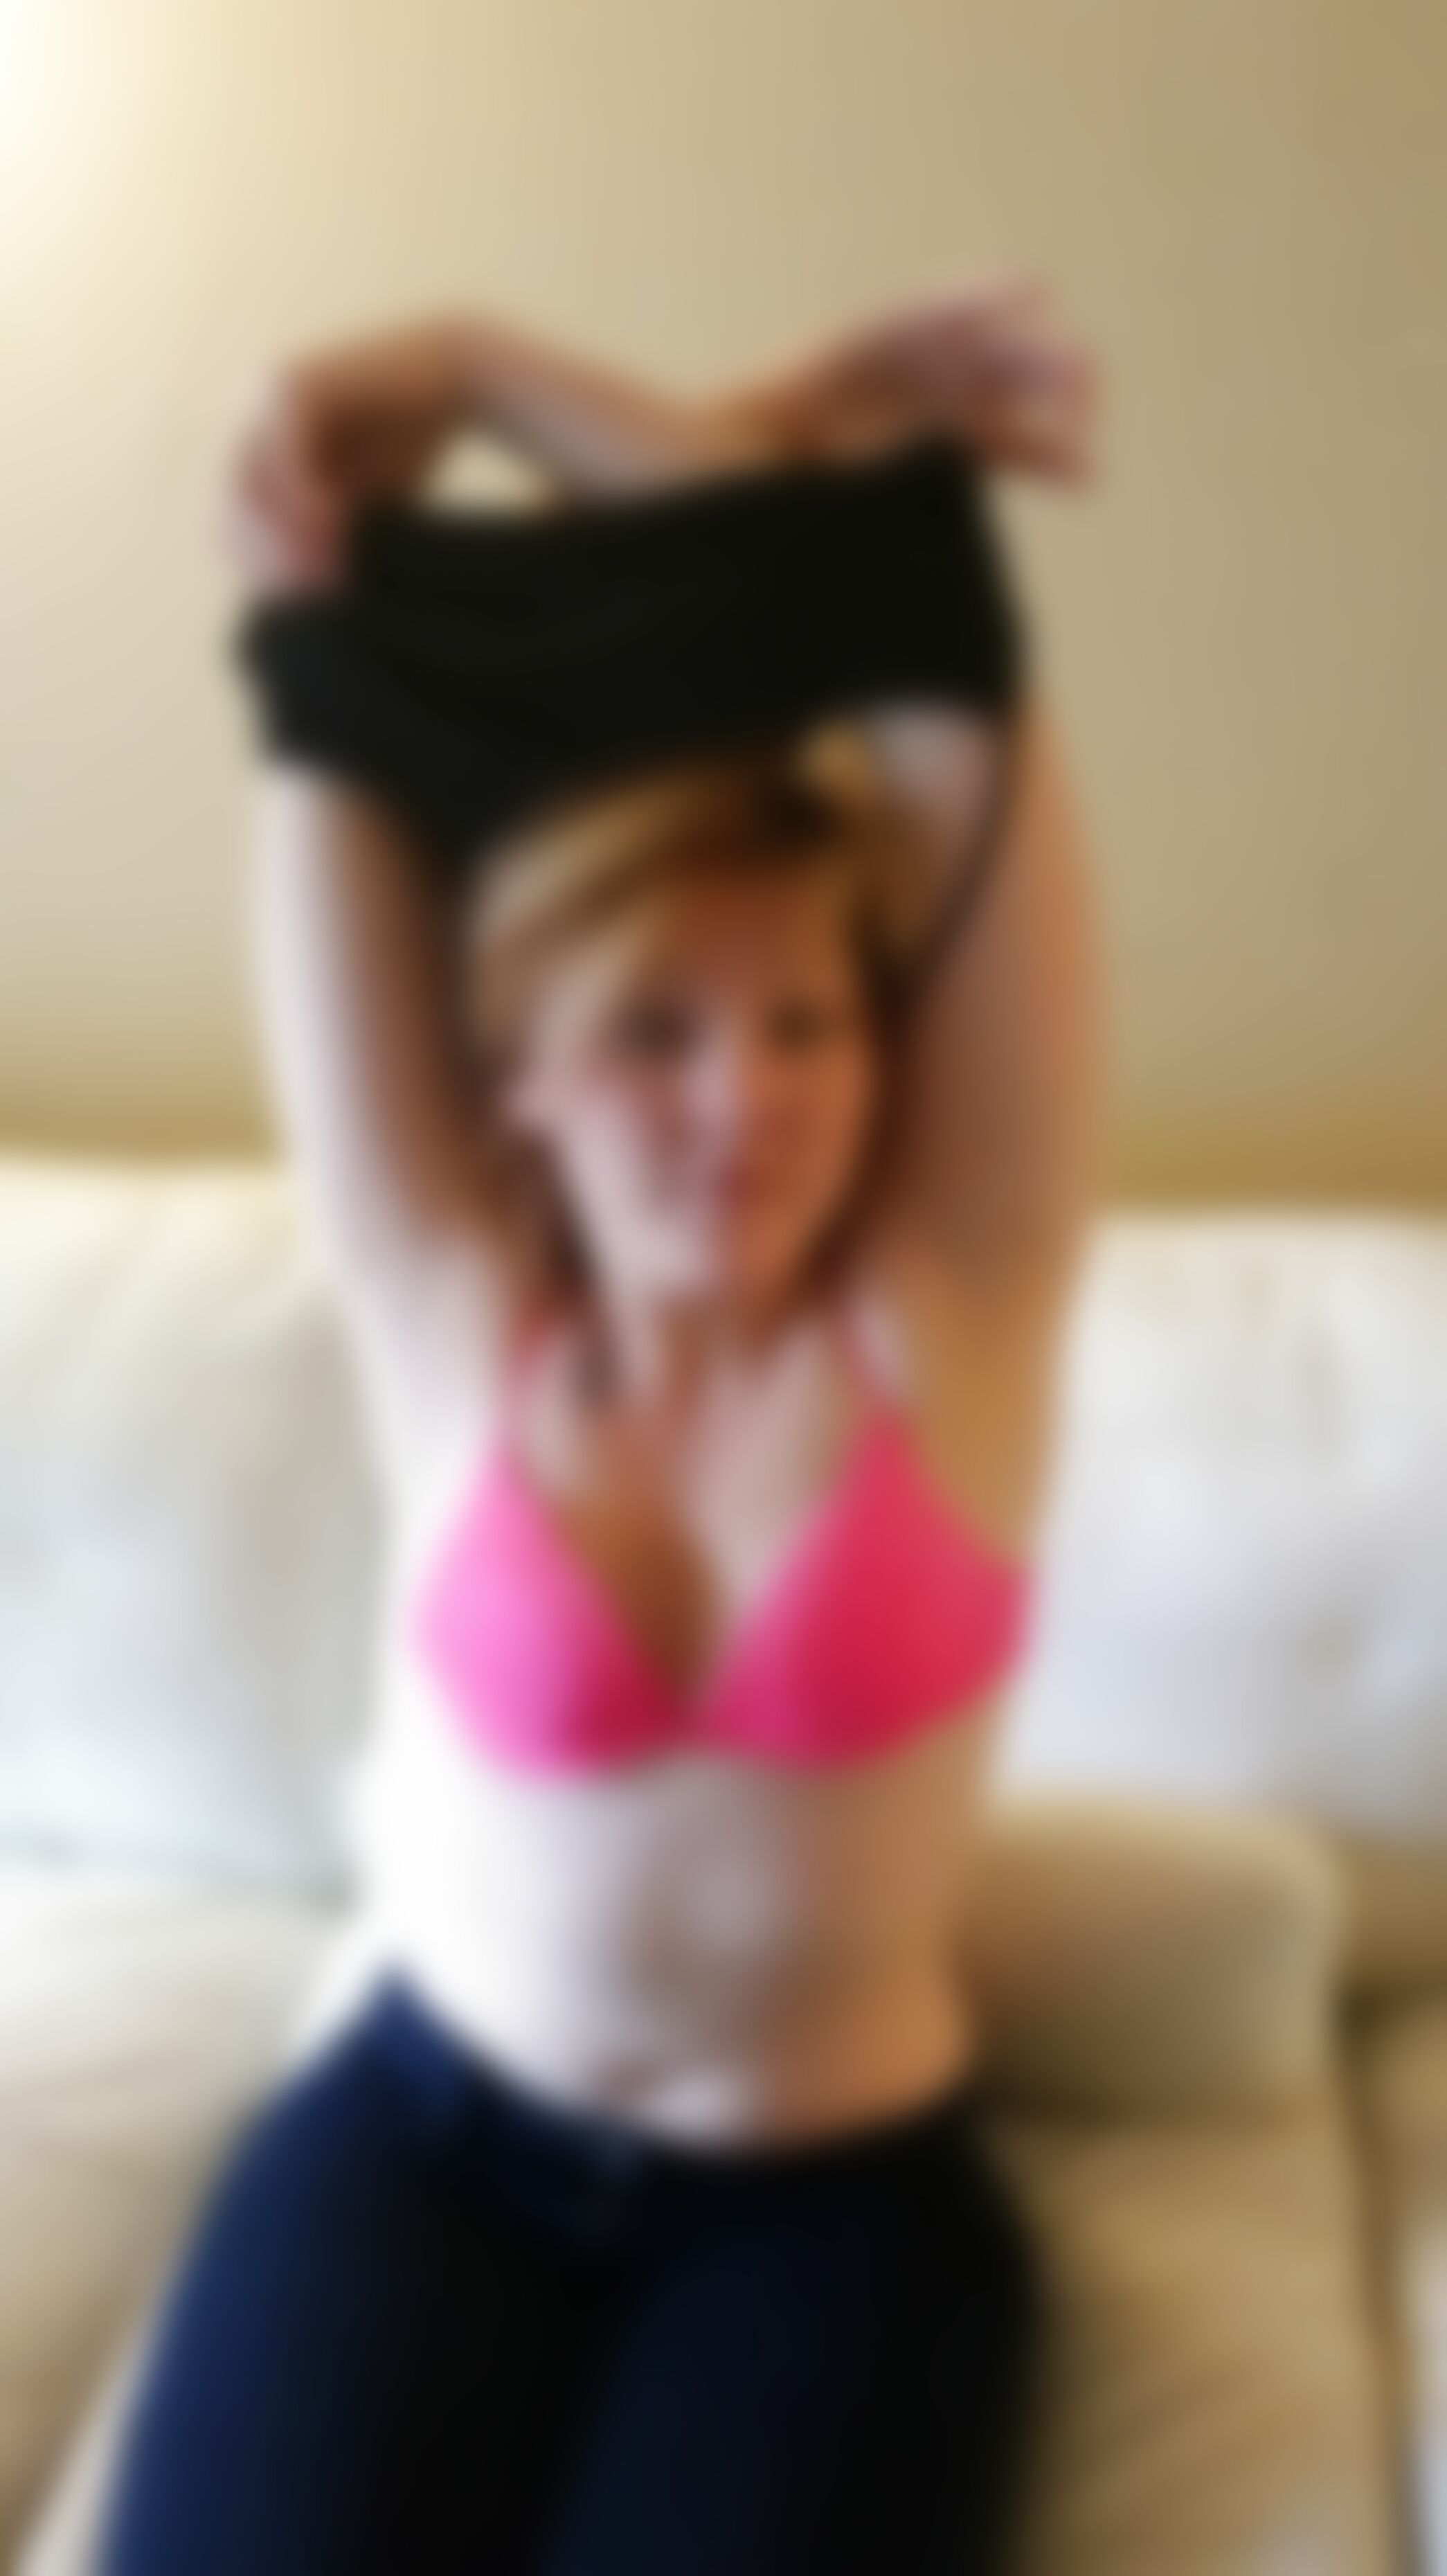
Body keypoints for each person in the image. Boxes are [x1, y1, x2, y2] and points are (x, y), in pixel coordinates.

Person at [100, 284, 1104, 2576]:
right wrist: (531, 383)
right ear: (521, 1082)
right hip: (421, 2151)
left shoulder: (956, 1306)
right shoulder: (445, 1302)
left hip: (826, 2224)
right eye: (654, 1030)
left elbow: (913, 623)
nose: (746, 1099)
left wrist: (540, 388)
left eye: (806, 1022)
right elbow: (348, 671)